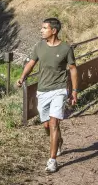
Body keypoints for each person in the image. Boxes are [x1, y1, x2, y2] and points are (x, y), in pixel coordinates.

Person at [16, 18, 78, 173]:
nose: (41, 30)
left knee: (54, 123)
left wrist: (74, 91)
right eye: (41, 28)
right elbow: (31, 63)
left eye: (44, 28)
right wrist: (22, 77)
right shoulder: (39, 46)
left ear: (54, 31)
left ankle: (52, 161)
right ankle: (59, 141)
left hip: (59, 89)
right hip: (43, 90)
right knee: (46, 125)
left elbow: (73, 69)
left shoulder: (66, 49)